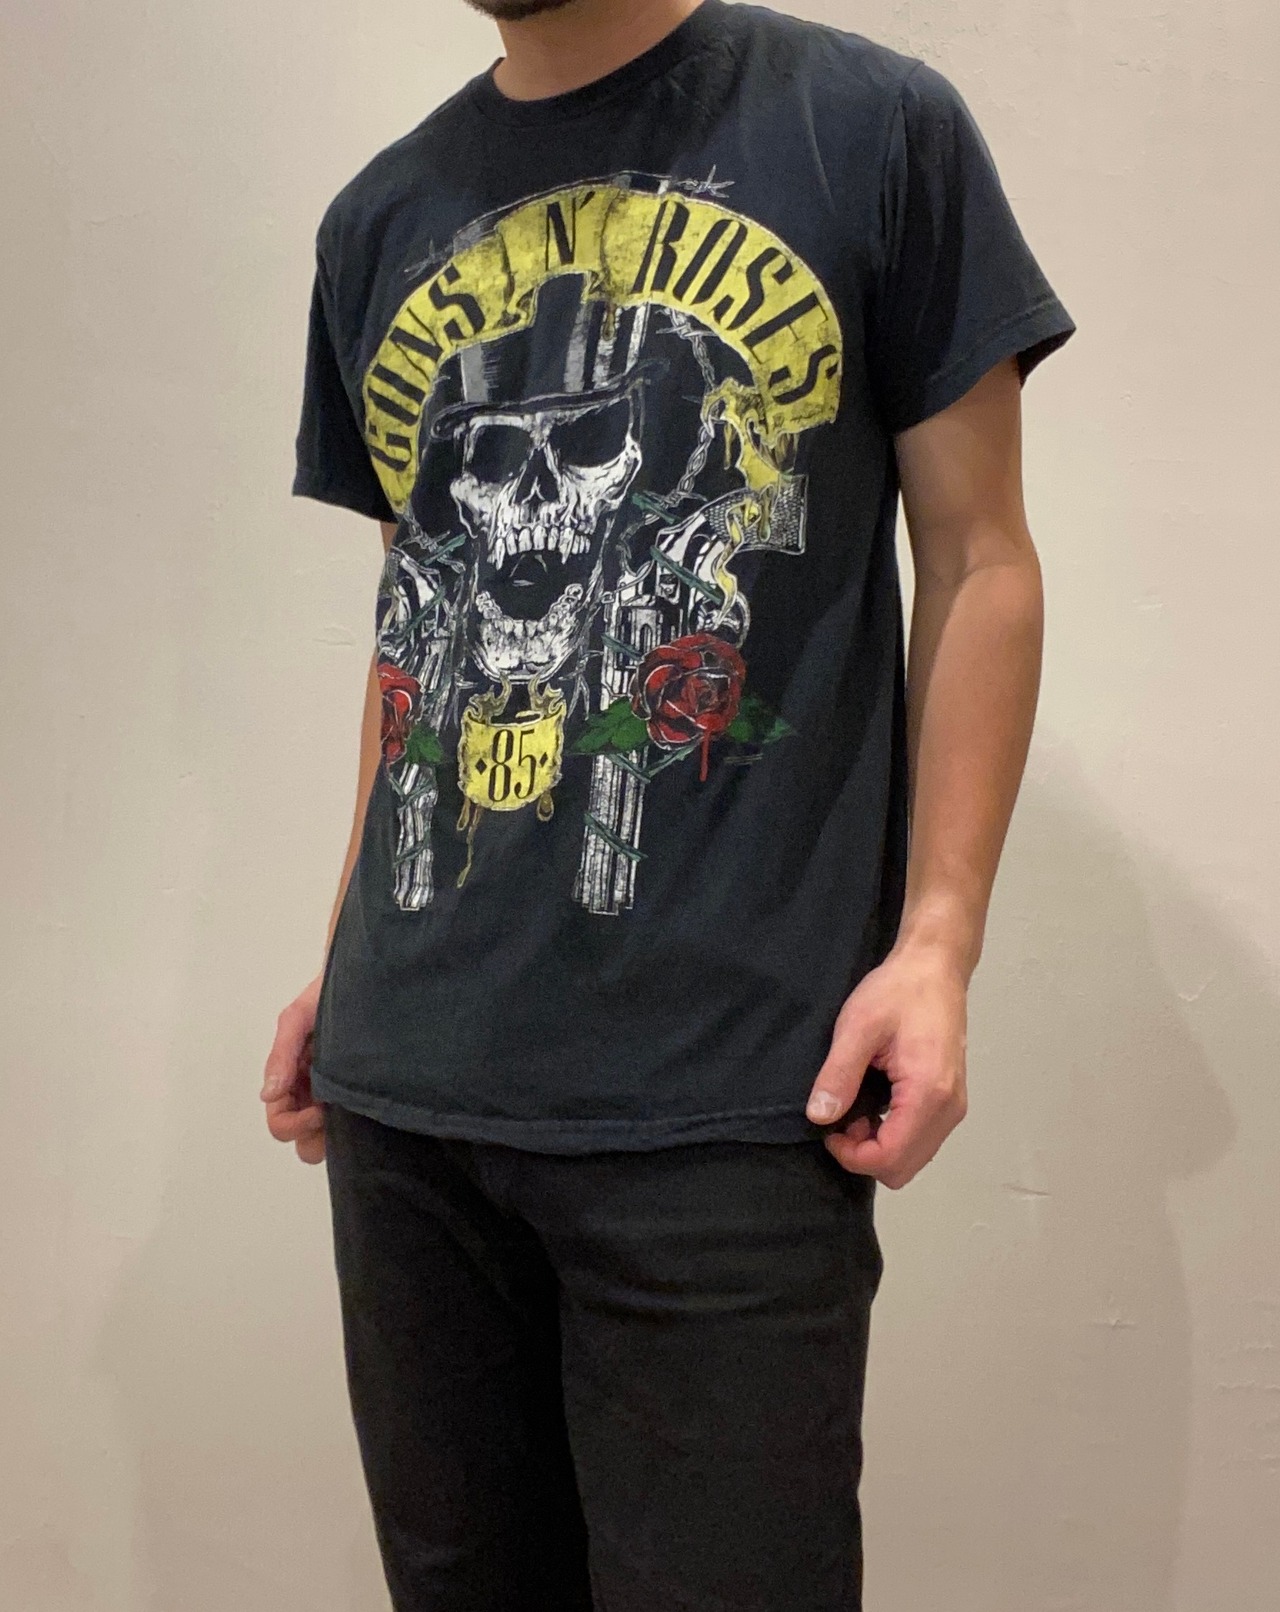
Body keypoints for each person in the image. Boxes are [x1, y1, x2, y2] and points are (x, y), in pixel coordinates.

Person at [262, 1, 1075, 1606]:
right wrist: (344, 945)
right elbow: (420, 622)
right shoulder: (377, 218)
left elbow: (983, 559)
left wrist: (939, 944)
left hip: (726, 1099)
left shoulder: (868, 130)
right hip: (408, 1093)